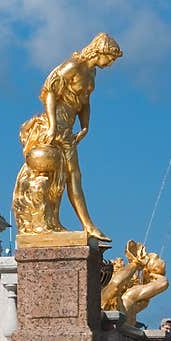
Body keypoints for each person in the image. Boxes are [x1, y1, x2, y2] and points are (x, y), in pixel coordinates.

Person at [12, 32, 123, 241]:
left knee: (71, 177)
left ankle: (69, 223)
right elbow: (49, 92)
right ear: (101, 51)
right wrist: (52, 125)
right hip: (54, 127)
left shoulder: (92, 73)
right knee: (59, 176)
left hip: (68, 130)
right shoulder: (73, 65)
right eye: (110, 58)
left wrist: (86, 125)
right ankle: (56, 222)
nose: (110, 64)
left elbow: (85, 101)